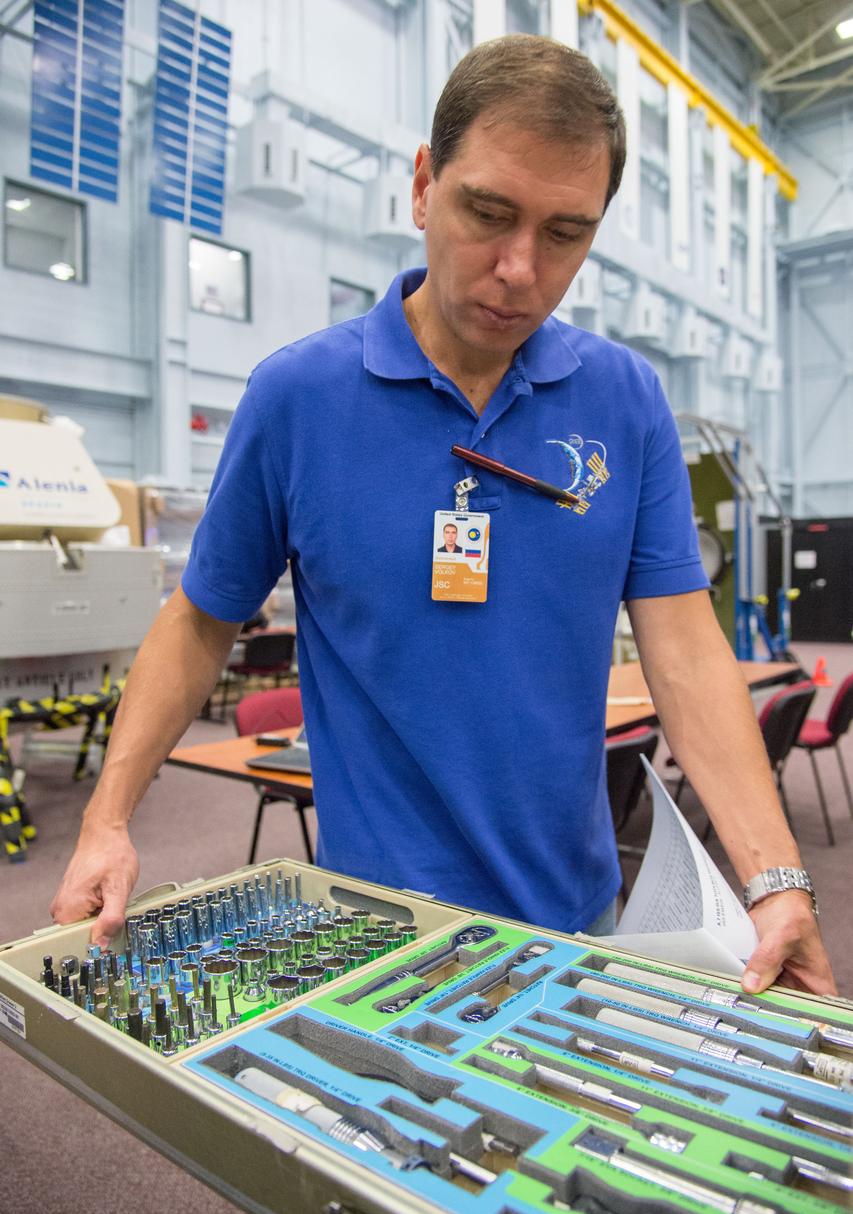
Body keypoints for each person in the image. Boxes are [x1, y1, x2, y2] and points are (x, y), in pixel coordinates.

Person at [51, 35, 834, 996]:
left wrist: (774, 878)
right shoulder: (298, 397)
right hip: (368, 932)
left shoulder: (624, 402)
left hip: (580, 922)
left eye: (564, 233)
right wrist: (108, 817)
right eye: (487, 212)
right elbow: (202, 618)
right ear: (424, 186)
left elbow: (684, 647)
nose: (518, 268)